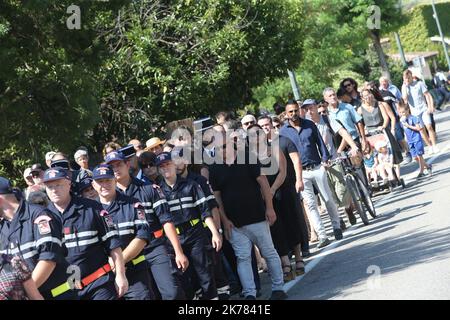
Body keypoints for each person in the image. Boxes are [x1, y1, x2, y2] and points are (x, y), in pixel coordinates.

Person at [209, 134, 286, 300]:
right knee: (242, 258)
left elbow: (263, 183)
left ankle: (278, 288)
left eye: (224, 146)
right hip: (234, 224)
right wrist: (225, 219)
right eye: (218, 148)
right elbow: (217, 197)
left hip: (257, 216)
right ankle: (249, 293)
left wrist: (270, 208)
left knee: (268, 252)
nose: (221, 150)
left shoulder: (248, 157)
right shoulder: (214, 168)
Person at [105, 150, 188, 300]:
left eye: (119, 165)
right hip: (129, 253)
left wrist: (178, 251)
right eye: (112, 167)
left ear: (127, 164)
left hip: (155, 247)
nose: (116, 169)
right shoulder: (108, 199)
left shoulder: (149, 189)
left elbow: (166, 221)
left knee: (172, 292)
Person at [44, 167, 128, 300]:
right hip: (67, 292)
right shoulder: (43, 218)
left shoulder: (93, 209)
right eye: (49, 186)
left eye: (58, 185)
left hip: (99, 285)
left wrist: (121, 275)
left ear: (69, 183)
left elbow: (113, 244)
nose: (54, 190)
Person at [156, 152, 221, 300]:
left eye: (168, 164)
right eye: (161, 166)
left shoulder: (191, 185)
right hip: (174, 239)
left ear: (174, 165)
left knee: (205, 275)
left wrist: (215, 232)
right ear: (159, 170)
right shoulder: (158, 191)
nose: (165, 168)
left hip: (195, 233)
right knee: (186, 279)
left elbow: (205, 211)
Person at [0, 176, 76, 300]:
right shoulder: (4, 227)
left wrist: (24, 294)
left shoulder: (39, 216)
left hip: (56, 294)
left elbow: (48, 260)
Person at [280, 99, 343, 248]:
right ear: (286, 113)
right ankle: (322, 235)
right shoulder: (283, 132)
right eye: (291, 111)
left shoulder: (309, 124)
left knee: (327, 198)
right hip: (300, 173)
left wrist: (325, 158)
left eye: (296, 110)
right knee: (310, 204)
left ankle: (336, 226)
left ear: (299, 110)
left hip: (316, 167)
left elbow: (320, 142)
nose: (294, 114)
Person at [257, 116, 308, 280]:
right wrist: (265, 194)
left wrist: (271, 190)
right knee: (276, 228)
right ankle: (286, 263)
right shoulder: (250, 155)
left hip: (282, 190)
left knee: (291, 222)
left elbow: (283, 171)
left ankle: (298, 258)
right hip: (266, 197)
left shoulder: (275, 147)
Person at [91, 164, 153, 300]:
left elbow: (142, 237)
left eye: (108, 180)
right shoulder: (89, 211)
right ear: (93, 185)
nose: (104, 185)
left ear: (114, 180)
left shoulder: (133, 204)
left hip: (135, 272)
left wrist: (118, 263)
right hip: (103, 280)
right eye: (100, 181)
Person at [302, 100, 358, 226]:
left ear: (316, 107)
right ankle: (338, 218)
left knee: (342, 189)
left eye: (311, 108)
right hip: (318, 165)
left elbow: (343, 132)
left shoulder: (327, 120)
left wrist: (353, 145)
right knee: (328, 194)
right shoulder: (304, 125)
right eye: (306, 110)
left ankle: (348, 209)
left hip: (333, 159)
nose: (309, 112)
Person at [402, 69, 439, 154]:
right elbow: (404, 99)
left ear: (411, 76)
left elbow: (427, 95)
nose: (407, 80)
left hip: (423, 109)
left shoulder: (419, 84)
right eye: (405, 79)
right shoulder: (404, 87)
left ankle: (434, 145)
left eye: (408, 78)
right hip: (414, 112)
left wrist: (430, 106)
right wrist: (405, 87)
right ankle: (429, 146)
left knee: (429, 126)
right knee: (421, 130)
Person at [399, 103, 432, 179]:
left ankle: (421, 172)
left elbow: (418, 128)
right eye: (400, 112)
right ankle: (427, 166)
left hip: (416, 139)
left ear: (408, 110)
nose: (402, 114)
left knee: (419, 155)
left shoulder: (413, 118)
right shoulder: (402, 120)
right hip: (410, 140)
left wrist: (408, 126)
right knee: (415, 157)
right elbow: (404, 130)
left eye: (403, 112)